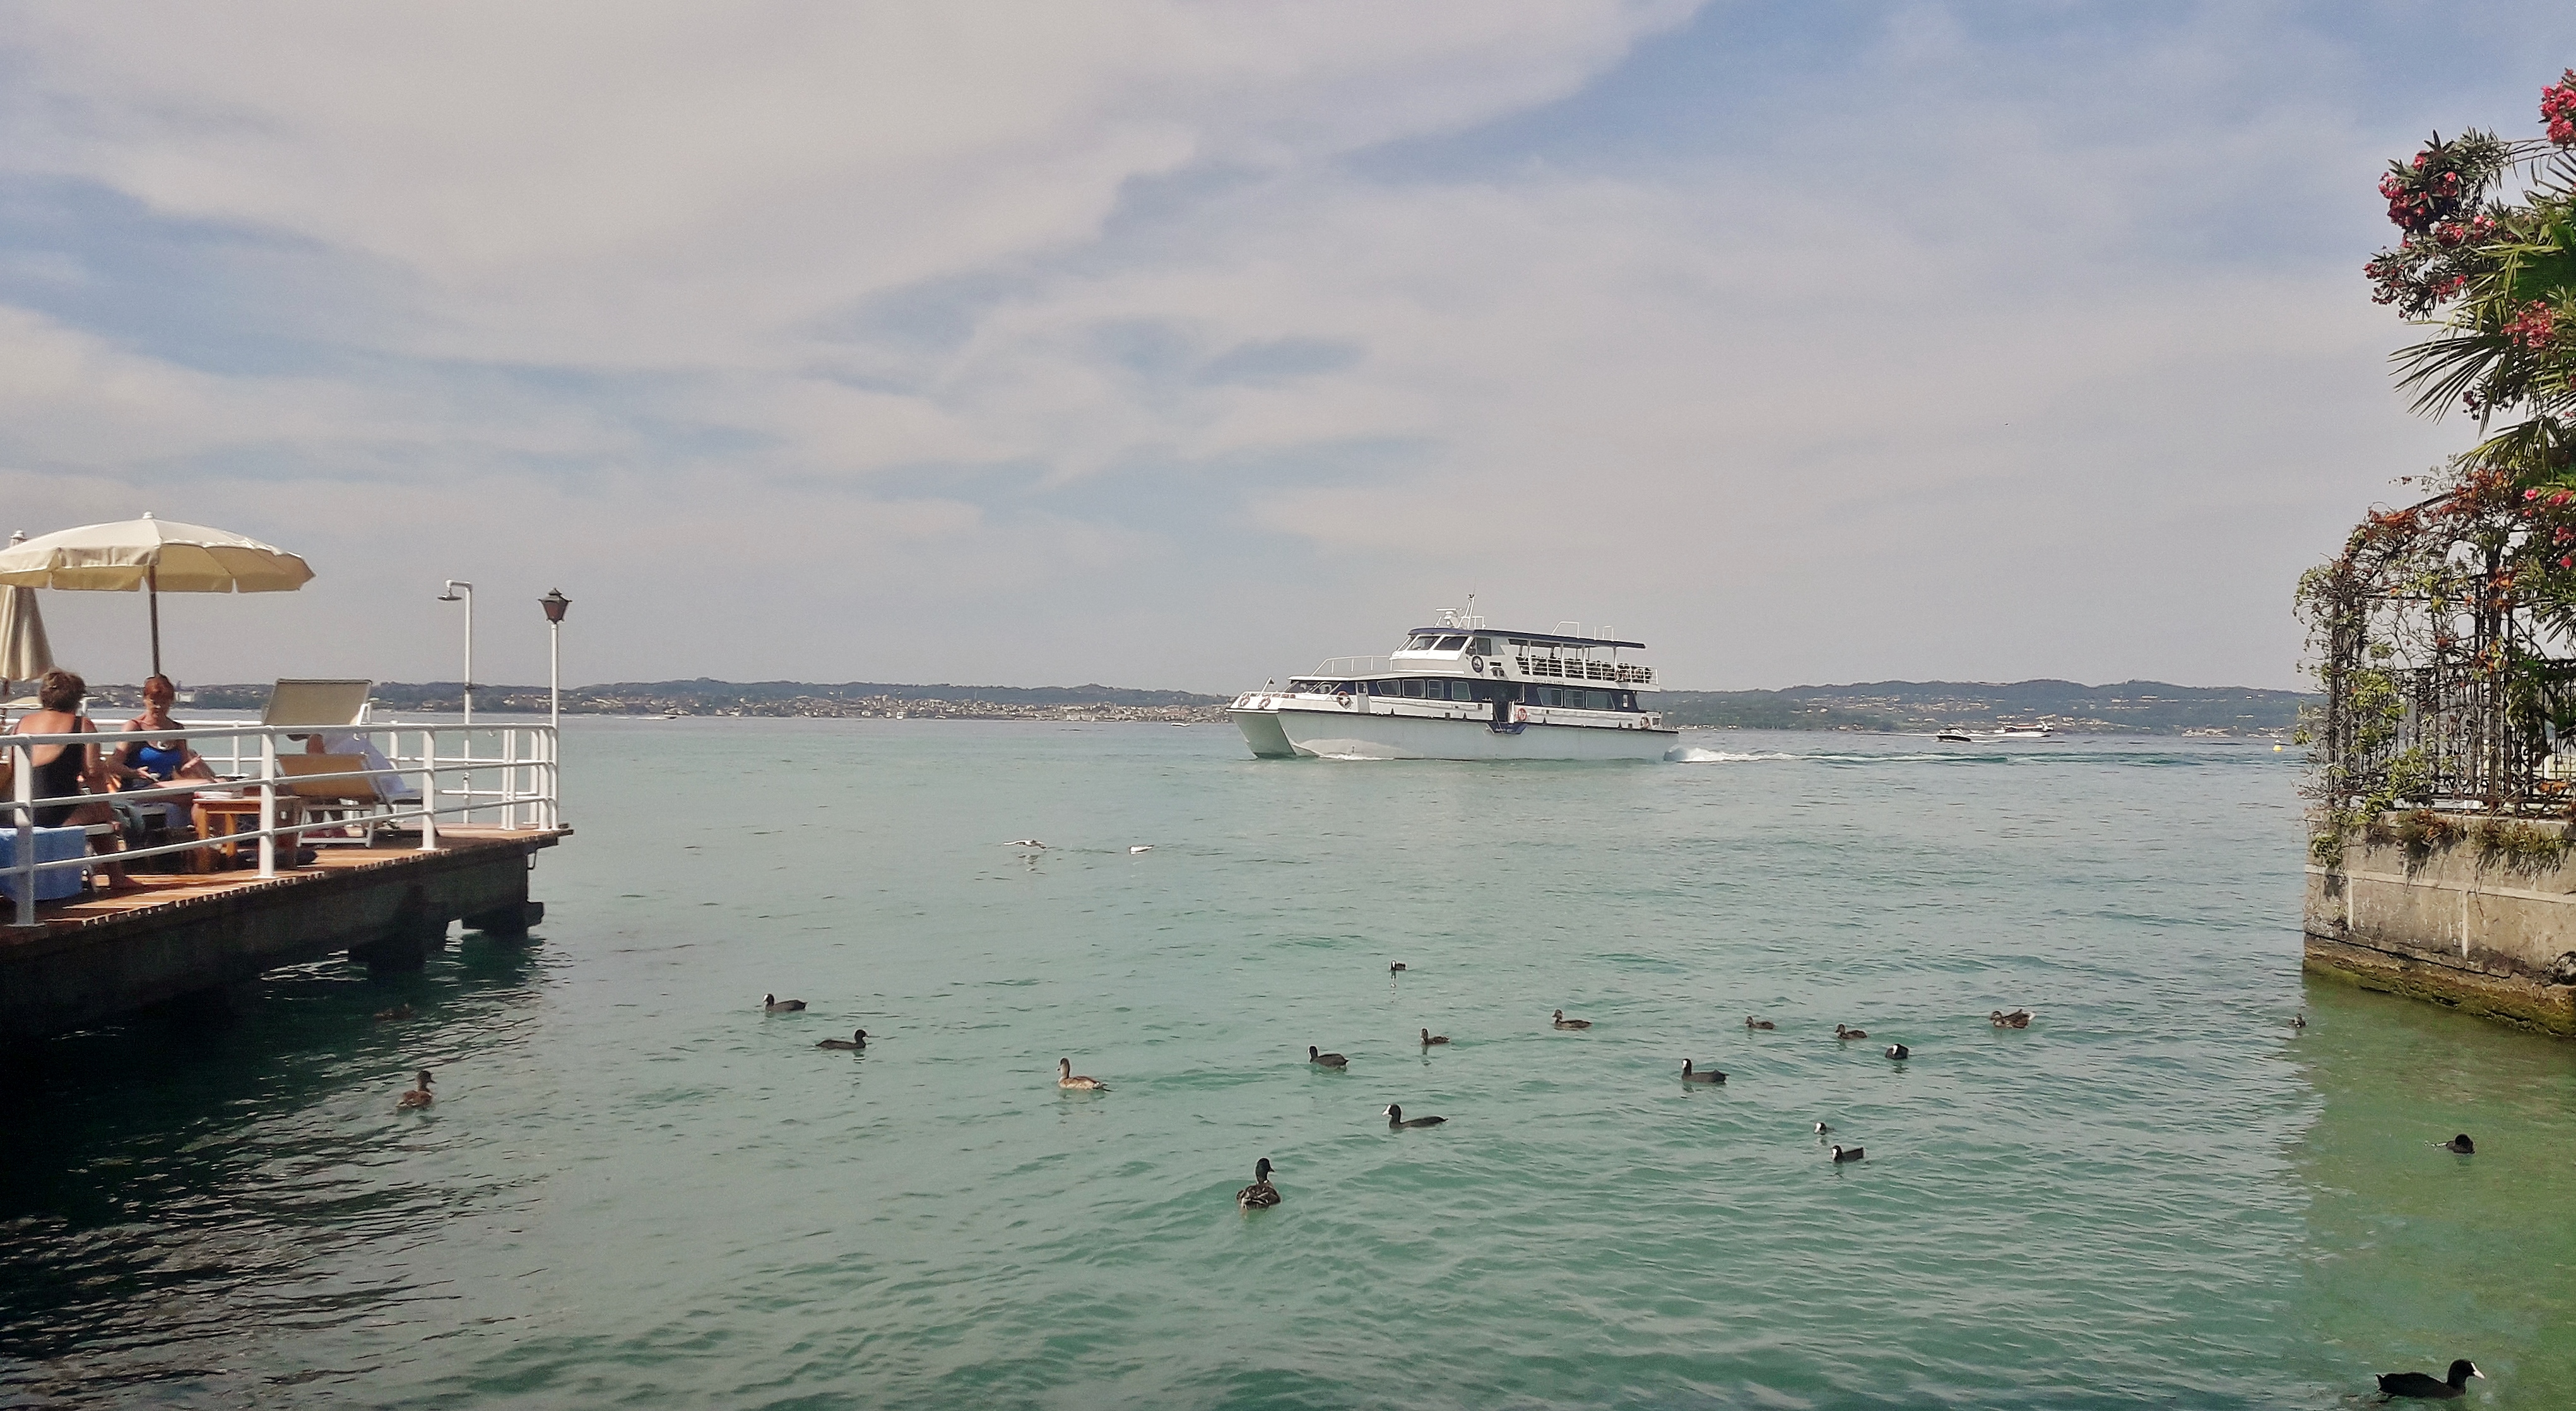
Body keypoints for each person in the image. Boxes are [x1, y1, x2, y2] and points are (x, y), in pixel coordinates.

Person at [5, 668, 131, 889]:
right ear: (77, 697)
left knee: (99, 813)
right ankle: (118, 878)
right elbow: (93, 773)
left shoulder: (21, 724)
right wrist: (106, 812)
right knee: (102, 816)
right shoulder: (81, 725)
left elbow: (14, 769)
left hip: (15, 810)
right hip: (53, 811)